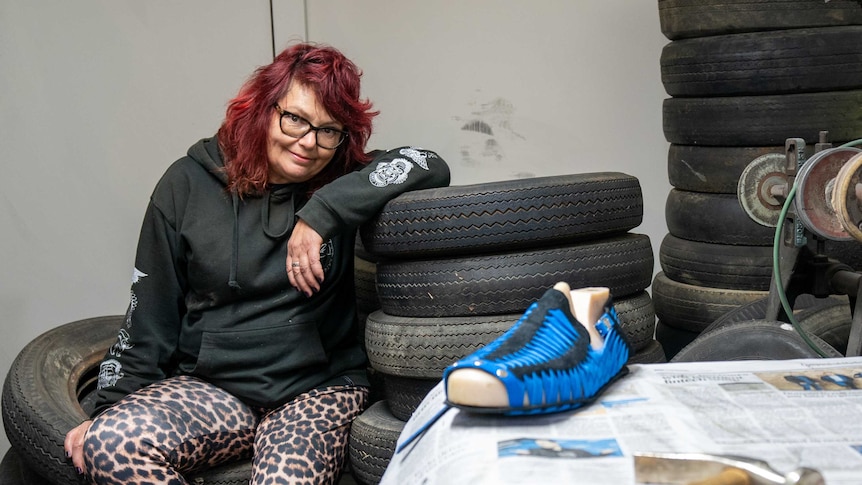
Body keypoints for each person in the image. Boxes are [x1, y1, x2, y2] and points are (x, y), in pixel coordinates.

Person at [63, 42, 450, 484]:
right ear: (263, 108)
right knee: (108, 444)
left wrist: (324, 213)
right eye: (295, 119)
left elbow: (427, 163)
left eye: (329, 130)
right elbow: (148, 318)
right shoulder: (185, 185)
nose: (309, 142)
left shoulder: (344, 179)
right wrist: (112, 408)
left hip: (317, 391)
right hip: (213, 388)